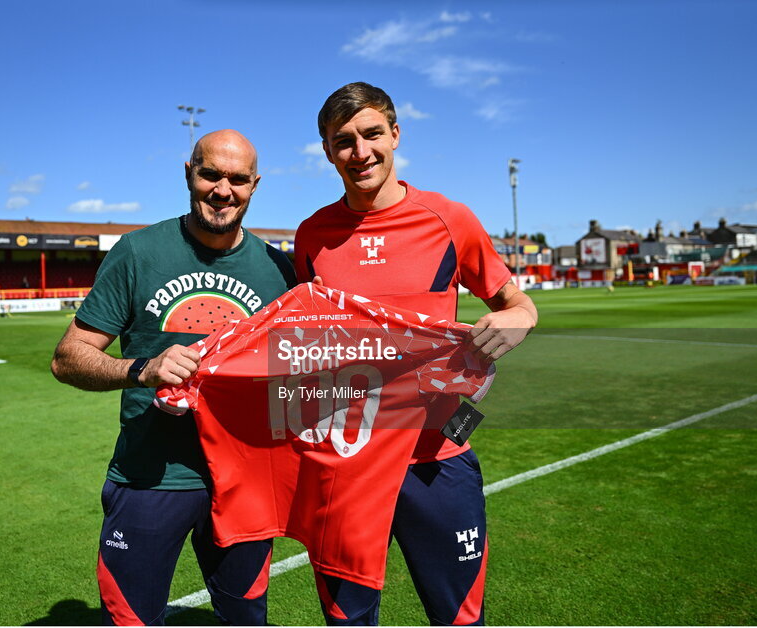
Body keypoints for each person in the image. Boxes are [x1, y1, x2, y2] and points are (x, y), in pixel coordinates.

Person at [294, 82, 539, 625]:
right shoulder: (312, 235)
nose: (360, 153)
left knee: (458, 617)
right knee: (348, 619)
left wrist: (521, 317)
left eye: (372, 134)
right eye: (343, 141)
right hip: (345, 464)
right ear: (327, 151)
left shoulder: (449, 220)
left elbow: (513, 299)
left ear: (395, 135)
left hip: (436, 460)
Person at [51, 129, 295, 626]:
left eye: (238, 179)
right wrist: (143, 369)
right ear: (189, 172)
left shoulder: (279, 269)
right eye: (210, 174)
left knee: (247, 620)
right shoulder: (138, 252)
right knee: (133, 619)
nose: (222, 190)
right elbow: (68, 358)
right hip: (151, 477)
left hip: (243, 482)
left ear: (255, 185)